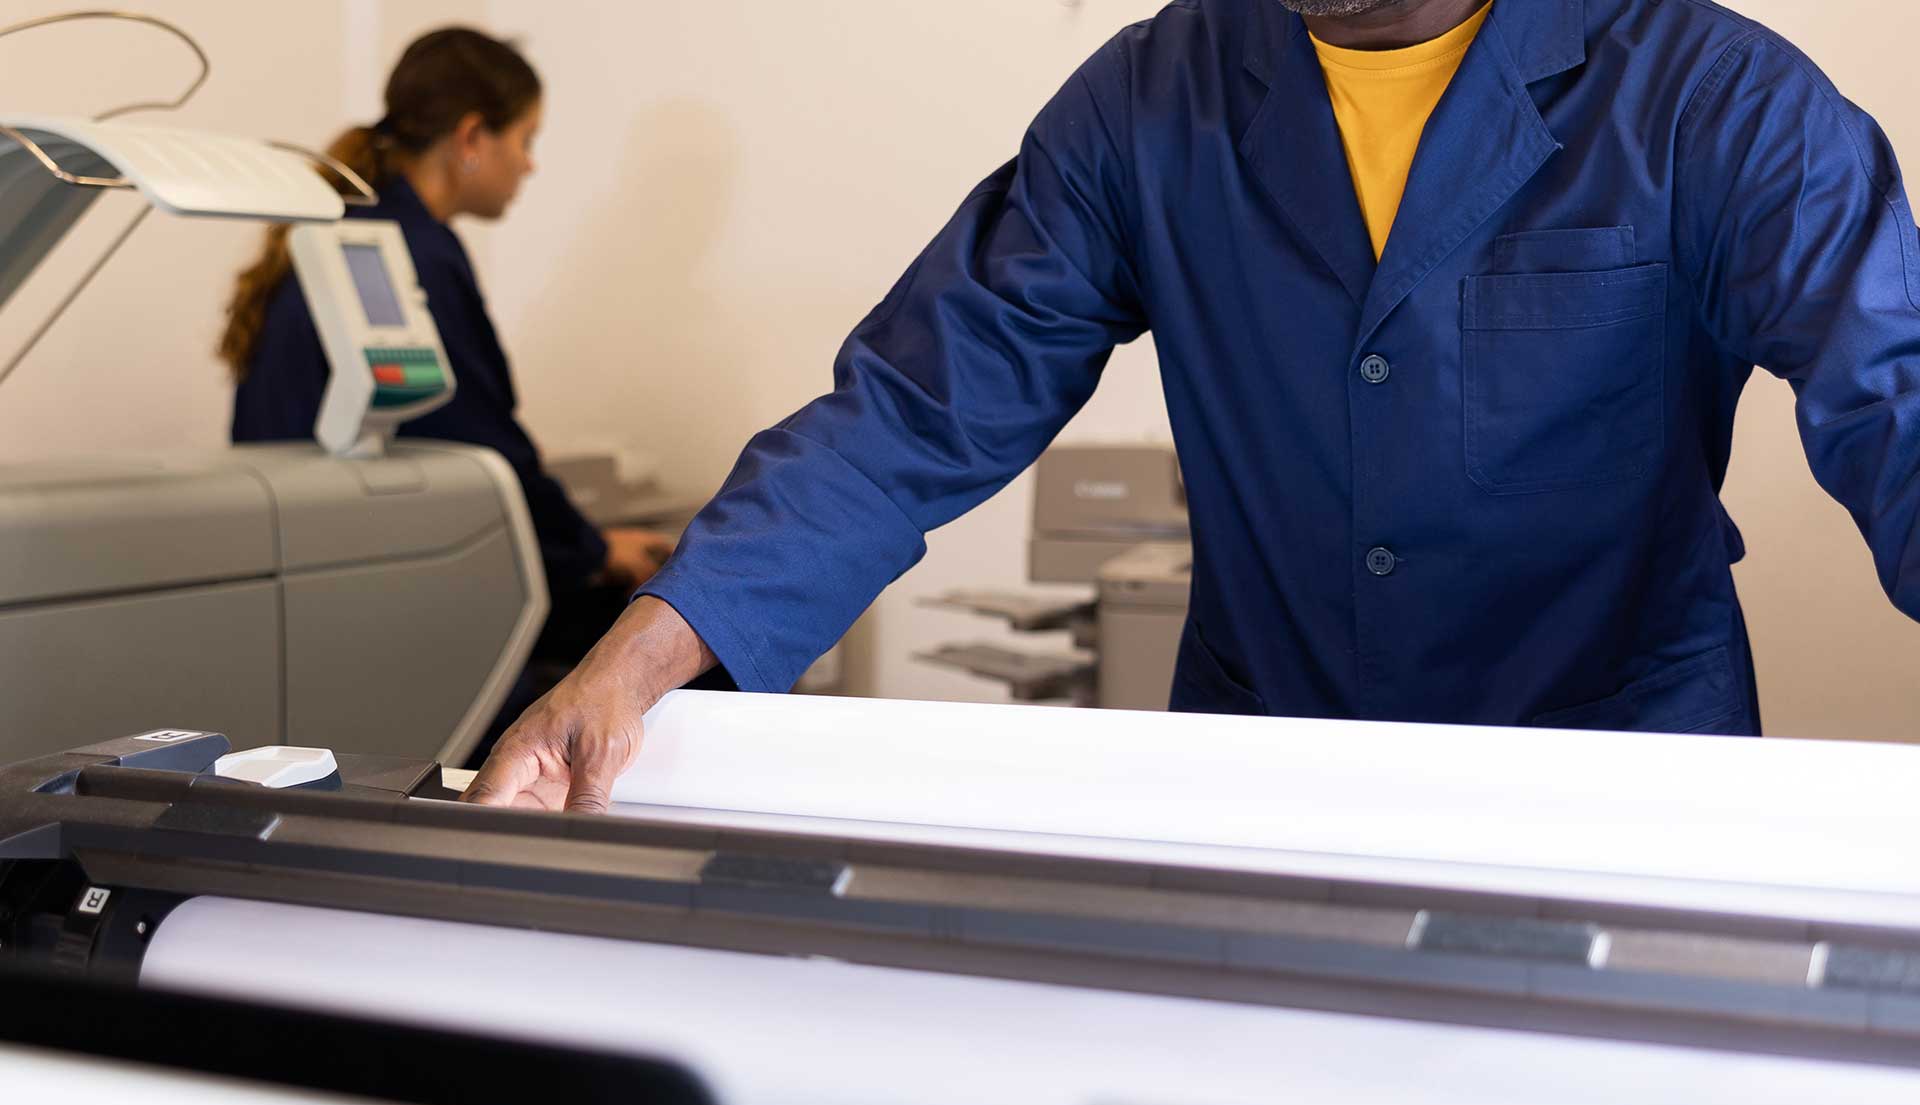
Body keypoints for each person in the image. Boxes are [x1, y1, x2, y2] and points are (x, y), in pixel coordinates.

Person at [466, 0, 1920, 812]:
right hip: (1266, 782)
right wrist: (634, 663)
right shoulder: (1147, 101)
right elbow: (915, 406)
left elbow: (1896, 395)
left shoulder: (1717, 99)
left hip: (1619, 786)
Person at [221, 28, 671, 757]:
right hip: (385, 591)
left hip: (308, 578)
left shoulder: (346, 226)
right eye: (524, 139)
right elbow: (483, 445)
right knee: (661, 634)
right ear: (471, 138)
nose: (529, 163)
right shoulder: (415, 252)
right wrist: (594, 550)